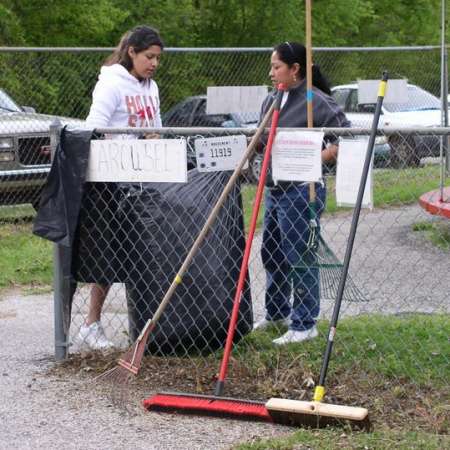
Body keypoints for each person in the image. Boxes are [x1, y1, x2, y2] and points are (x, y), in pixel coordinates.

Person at [253, 41, 350, 345]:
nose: (271, 73)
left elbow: (343, 138)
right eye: (271, 66)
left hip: (302, 191)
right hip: (274, 189)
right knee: (271, 252)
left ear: (295, 70)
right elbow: (261, 141)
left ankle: (305, 323)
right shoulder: (272, 100)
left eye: (277, 67)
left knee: (300, 255)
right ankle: (277, 313)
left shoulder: (314, 101)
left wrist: (314, 158)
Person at [77, 25, 164, 350]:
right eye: (148, 57)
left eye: (157, 58)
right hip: (111, 181)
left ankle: (143, 323)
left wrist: (153, 135)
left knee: (142, 253)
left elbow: (154, 124)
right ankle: (91, 323)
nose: (153, 64)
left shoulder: (151, 87)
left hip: (144, 178)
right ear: (132, 52)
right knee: (108, 253)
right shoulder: (112, 82)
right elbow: (93, 128)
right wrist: (128, 138)